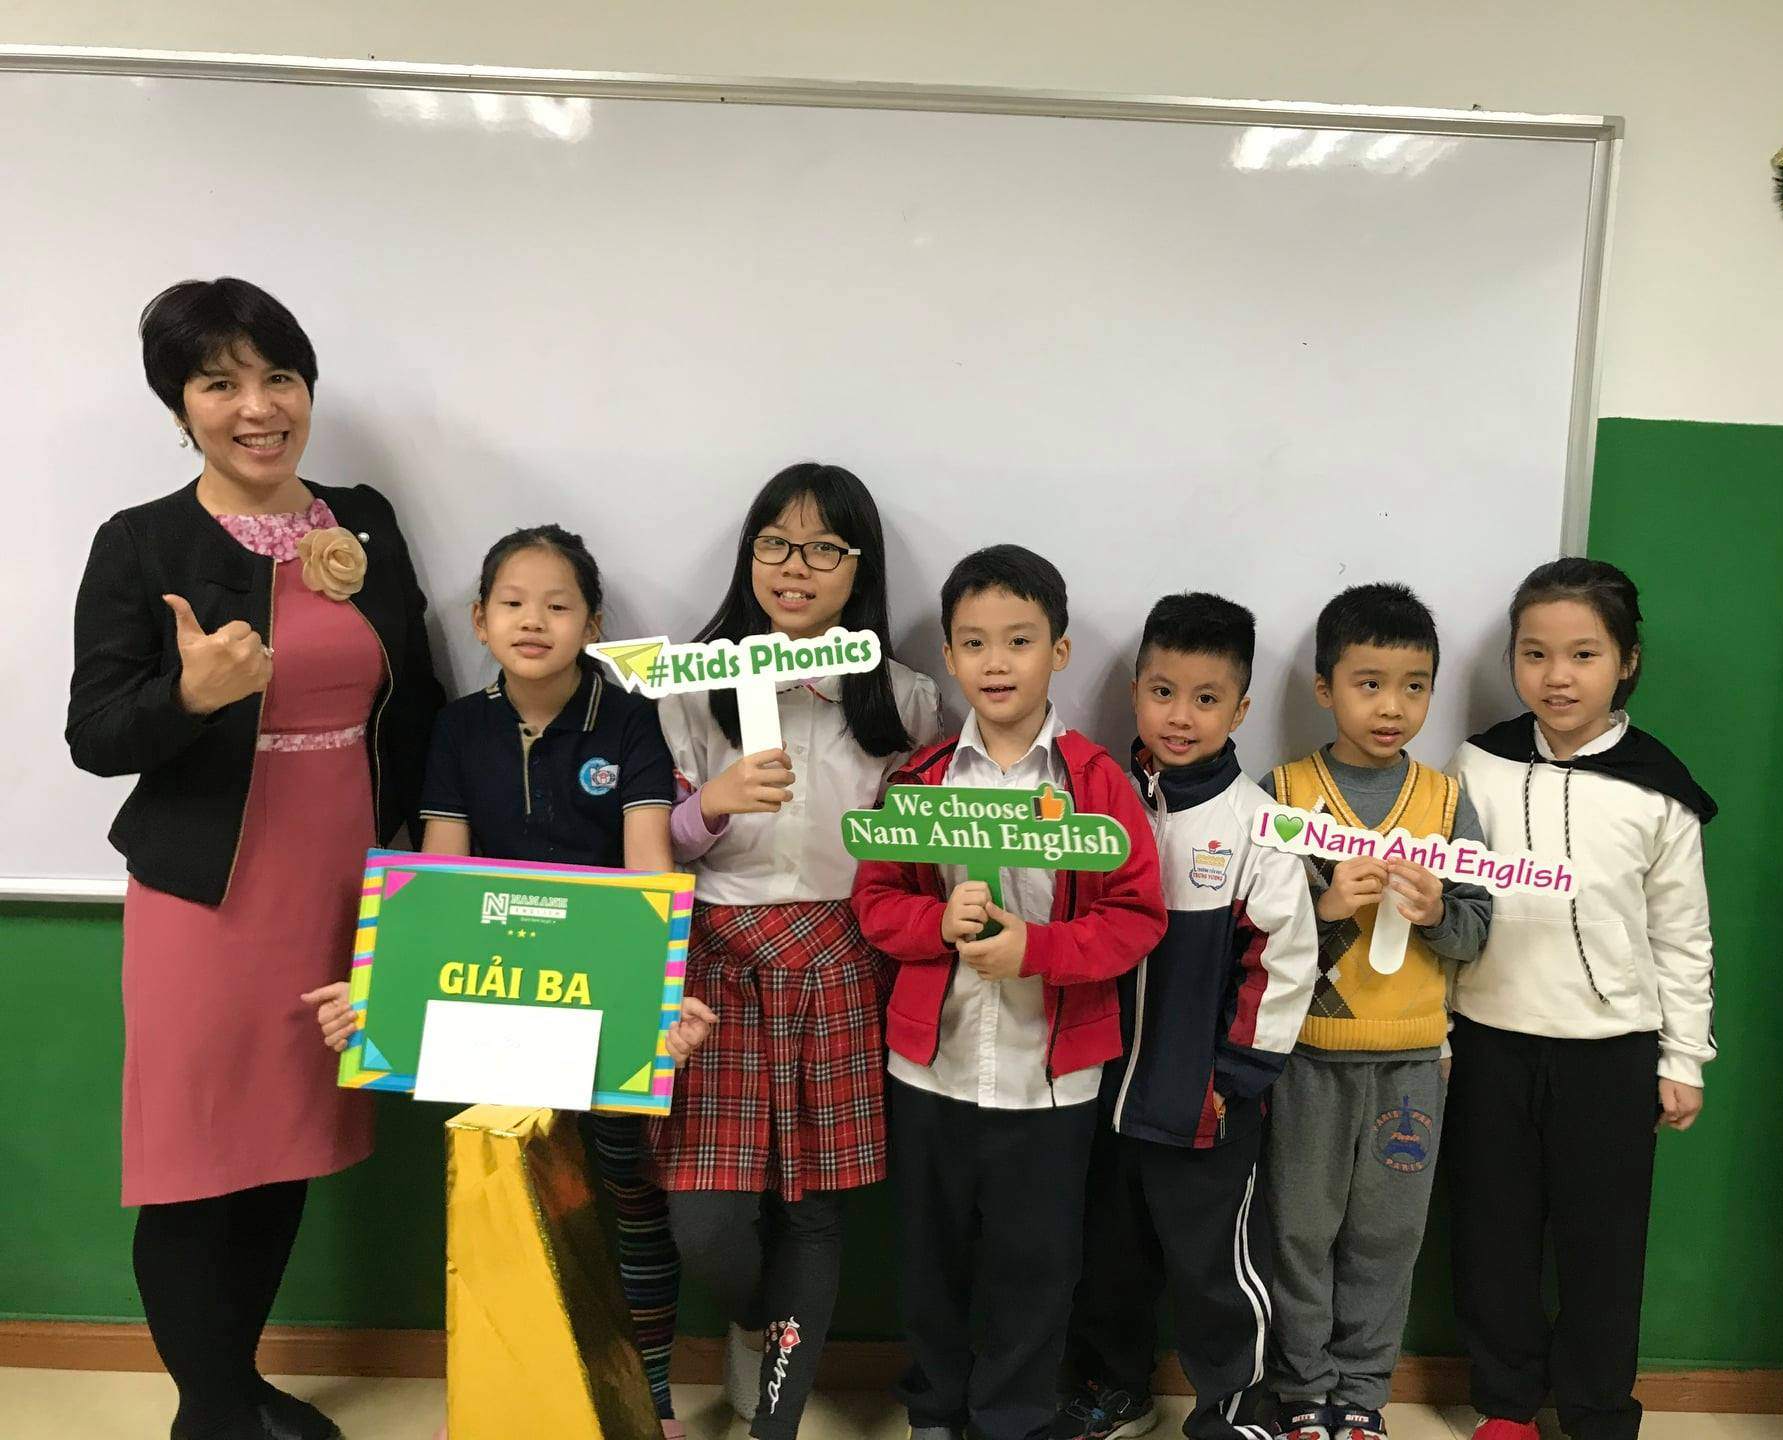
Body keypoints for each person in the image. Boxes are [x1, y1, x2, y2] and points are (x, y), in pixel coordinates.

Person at [67, 277, 443, 1440]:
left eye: (279, 377)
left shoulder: (364, 521)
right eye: (219, 383)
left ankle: (235, 1387)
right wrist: (186, 697)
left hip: (344, 885)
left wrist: (440, 858)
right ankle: (215, 1411)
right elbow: (95, 736)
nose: (257, 407)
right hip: (207, 896)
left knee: (286, 1146)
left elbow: (419, 700)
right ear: (179, 406)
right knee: (194, 1162)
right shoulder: (141, 542)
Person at [307, 524, 715, 1437]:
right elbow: (443, 883)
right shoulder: (459, 727)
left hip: (604, 1003)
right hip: (492, 1002)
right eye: (513, 603)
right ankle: (503, 1396)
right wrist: (382, 996)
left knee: (627, 1198)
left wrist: (660, 1006)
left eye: (559, 605)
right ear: (480, 621)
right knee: (505, 1193)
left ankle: (646, 1399)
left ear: (592, 624)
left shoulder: (631, 722)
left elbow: (650, 872)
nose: (535, 621)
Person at [651, 462, 942, 1439]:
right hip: (715, 961)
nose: (795, 566)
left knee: (814, 1207)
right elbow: (653, 845)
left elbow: (917, 853)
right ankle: (753, 1319)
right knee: (706, 1217)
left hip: (843, 959)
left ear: (860, 568)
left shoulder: (905, 700)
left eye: (824, 548)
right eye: (775, 543)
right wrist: (710, 805)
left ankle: (775, 1422)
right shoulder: (691, 685)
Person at [853, 544, 1166, 1440]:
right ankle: (935, 1413)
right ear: (950, 658)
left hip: (1051, 1081)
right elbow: (876, 903)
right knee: (932, 1260)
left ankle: (1013, 1420)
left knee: (1036, 1265)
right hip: (932, 1071)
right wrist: (935, 925)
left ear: (1058, 652)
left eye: (1020, 641)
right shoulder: (917, 782)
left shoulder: (1096, 784)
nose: (997, 662)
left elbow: (1136, 918)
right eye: (974, 642)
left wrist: (1039, 948)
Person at [1444, 558, 1715, 1440]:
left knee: (1604, 1247)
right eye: (1535, 654)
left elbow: (1683, 936)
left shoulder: (1657, 789)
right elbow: (1448, 901)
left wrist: (1683, 1059)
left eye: (1584, 654)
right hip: (1488, 1041)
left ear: (1626, 661)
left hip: (1612, 1053)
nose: (1557, 676)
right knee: (1493, 1236)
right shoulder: (1476, 764)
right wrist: (1437, 1033)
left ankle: (1598, 1411)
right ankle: (1507, 1404)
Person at [1054, 592, 1317, 1440]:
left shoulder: (1258, 825)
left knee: (1213, 1267)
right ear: (1135, 692)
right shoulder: (1097, 801)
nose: (1180, 716)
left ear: (1240, 711)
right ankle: (1115, 1389)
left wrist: (1231, 1080)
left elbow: (1282, 965)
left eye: (1207, 699)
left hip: (1203, 1101)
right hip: (1099, 1093)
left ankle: (1235, 1407)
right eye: (1163, 692)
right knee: (1108, 1255)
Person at [1261, 583, 1491, 1440]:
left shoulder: (1445, 801)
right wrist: (1321, 908)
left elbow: (1477, 928)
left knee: (1387, 1236)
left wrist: (1436, 914)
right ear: (1326, 689)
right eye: (1369, 684)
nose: (1392, 707)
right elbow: (1254, 932)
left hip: (1411, 1064)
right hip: (1306, 1056)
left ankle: (1361, 1393)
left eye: (1414, 686)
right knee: (1299, 1230)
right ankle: (1301, 1388)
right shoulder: (1284, 792)